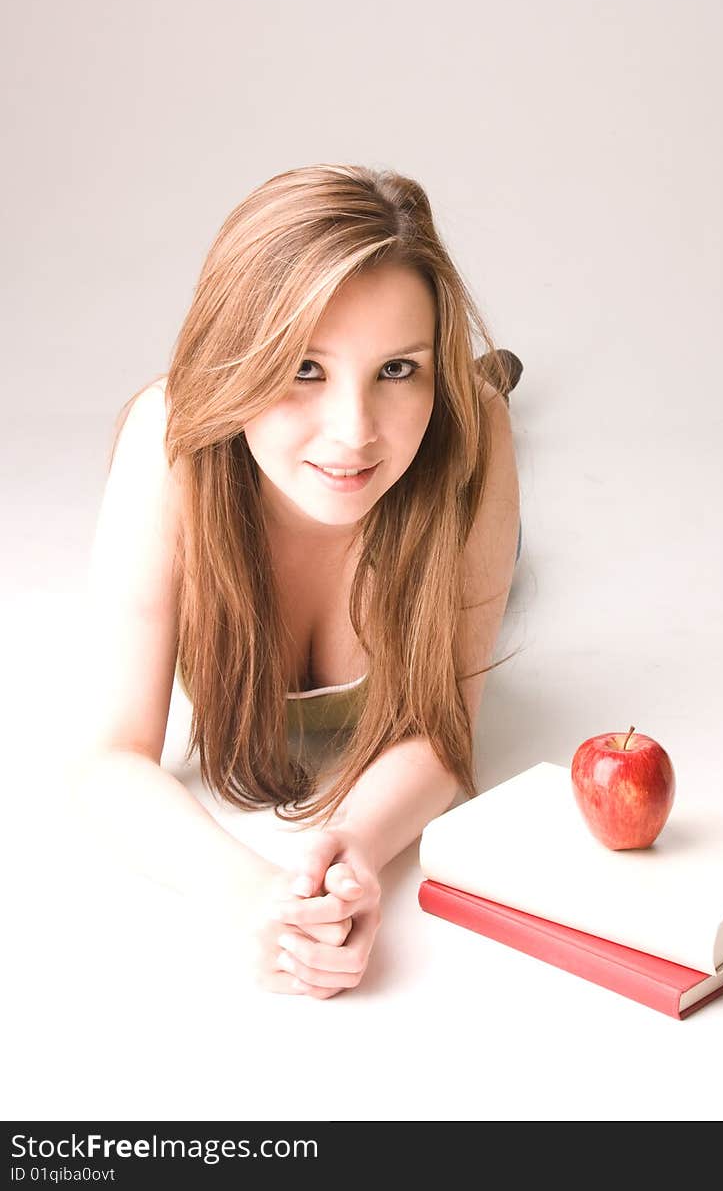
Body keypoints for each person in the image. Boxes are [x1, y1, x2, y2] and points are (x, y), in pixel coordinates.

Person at [72, 163, 523, 999]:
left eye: (399, 370)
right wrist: (254, 897)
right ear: (234, 360)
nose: (353, 434)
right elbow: (107, 759)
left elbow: (447, 731)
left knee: (489, 401)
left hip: (443, 483)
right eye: (304, 369)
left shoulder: (469, 438)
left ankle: (487, 371)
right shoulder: (168, 441)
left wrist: (355, 843)